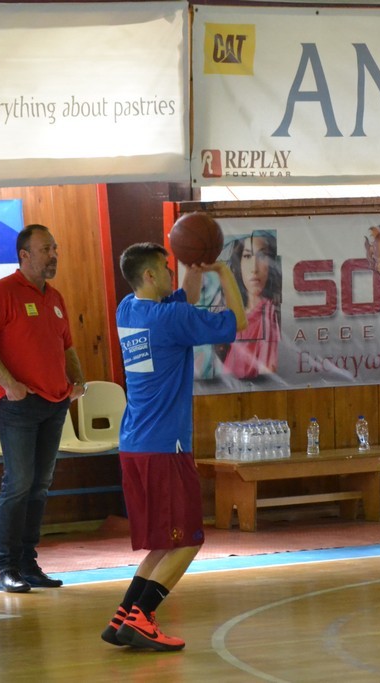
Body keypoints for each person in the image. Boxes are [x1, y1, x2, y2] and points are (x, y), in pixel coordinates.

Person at [101, 242, 246, 651]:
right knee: (189, 541)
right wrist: (223, 271)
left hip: (135, 444)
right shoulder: (172, 319)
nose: (171, 273)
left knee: (165, 542)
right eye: (166, 268)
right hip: (166, 447)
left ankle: (123, 616)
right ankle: (142, 618)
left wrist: (192, 269)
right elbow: (238, 322)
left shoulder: (128, 310)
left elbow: (182, 298)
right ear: (150, 275)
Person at [0, 223, 87, 593]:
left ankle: (28, 563)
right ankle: (6, 566)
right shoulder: (0, 292)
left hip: (55, 403)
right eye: (45, 249)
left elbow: (66, 345)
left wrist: (78, 380)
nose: (54, 255)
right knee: (19, 483)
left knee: (39, 485)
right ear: (24, 255)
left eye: (55, 248)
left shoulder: (55, 297)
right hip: (18, 405)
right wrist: (9, 384)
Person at [220, 230, 281, 379]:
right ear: (239, 263)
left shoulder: (271, 312)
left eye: (262, 256)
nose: (254, 268)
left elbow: (269, 371)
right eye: (247, 256)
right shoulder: (231, 313)